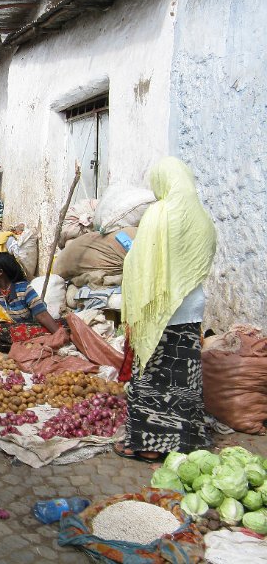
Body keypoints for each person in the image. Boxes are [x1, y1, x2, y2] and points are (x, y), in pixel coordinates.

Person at [114, 157, 216, 463]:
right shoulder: (202, 219)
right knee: (183, 378)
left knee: (151, 376)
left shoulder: (159, 214)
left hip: (159, 309)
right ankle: (184, 440)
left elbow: (141, 263)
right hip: (191, 306)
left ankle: (148, 445)